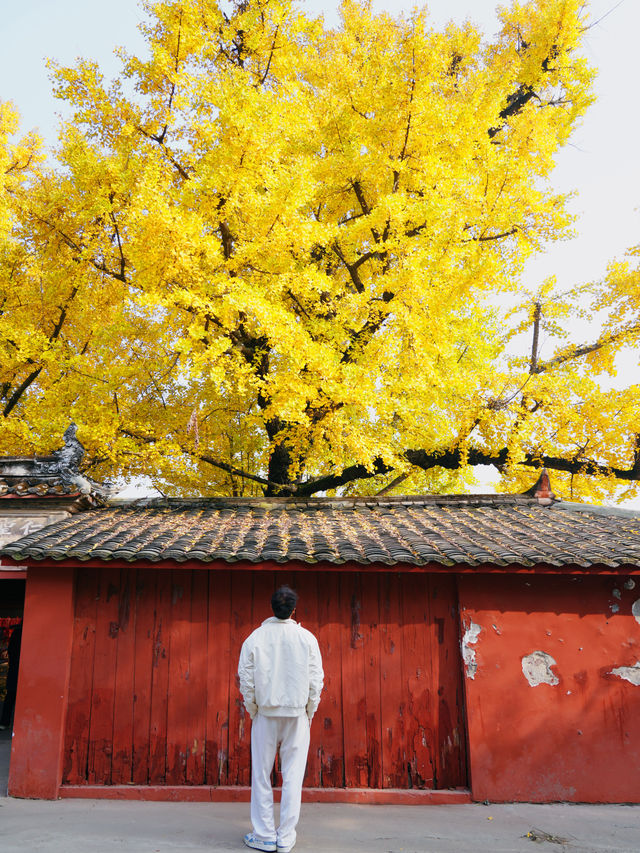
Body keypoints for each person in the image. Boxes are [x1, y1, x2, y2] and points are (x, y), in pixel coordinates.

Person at [238, 585, 323, 853]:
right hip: (297, 714)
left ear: (272, 607)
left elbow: (246, 681)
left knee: (262, 775)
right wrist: (309, 711)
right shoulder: (307, 638)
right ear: (294, 609)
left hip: (265, 713)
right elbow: (316, 680)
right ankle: (286, 837)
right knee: (293, 776)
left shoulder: (254, 638)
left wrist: (254, 709)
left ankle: (264, 835)